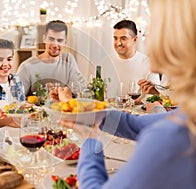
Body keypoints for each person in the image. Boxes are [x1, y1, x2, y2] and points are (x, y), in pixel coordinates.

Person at [60, 0, 196, 188]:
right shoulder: (186, 116)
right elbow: (135, 124)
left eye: (155, 31)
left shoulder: (173, 138)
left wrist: (90, 139)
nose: (148, 42)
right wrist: (82, 108)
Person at [16, 20, 85, 97]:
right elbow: (16, 98)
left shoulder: (68, 59)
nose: (55, 45)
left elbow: (78, 90)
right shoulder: (26, 66)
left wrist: (59, 91)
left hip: (62, 108)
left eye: (60, 40)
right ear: (44, 39)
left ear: (65, 42)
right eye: (51, 39)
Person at [112, 20, 160, 95]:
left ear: (134, 39)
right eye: (115, 38)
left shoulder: (149, 64)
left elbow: (156, 95)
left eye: (123, 38)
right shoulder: (106, 62)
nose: (118, 43)